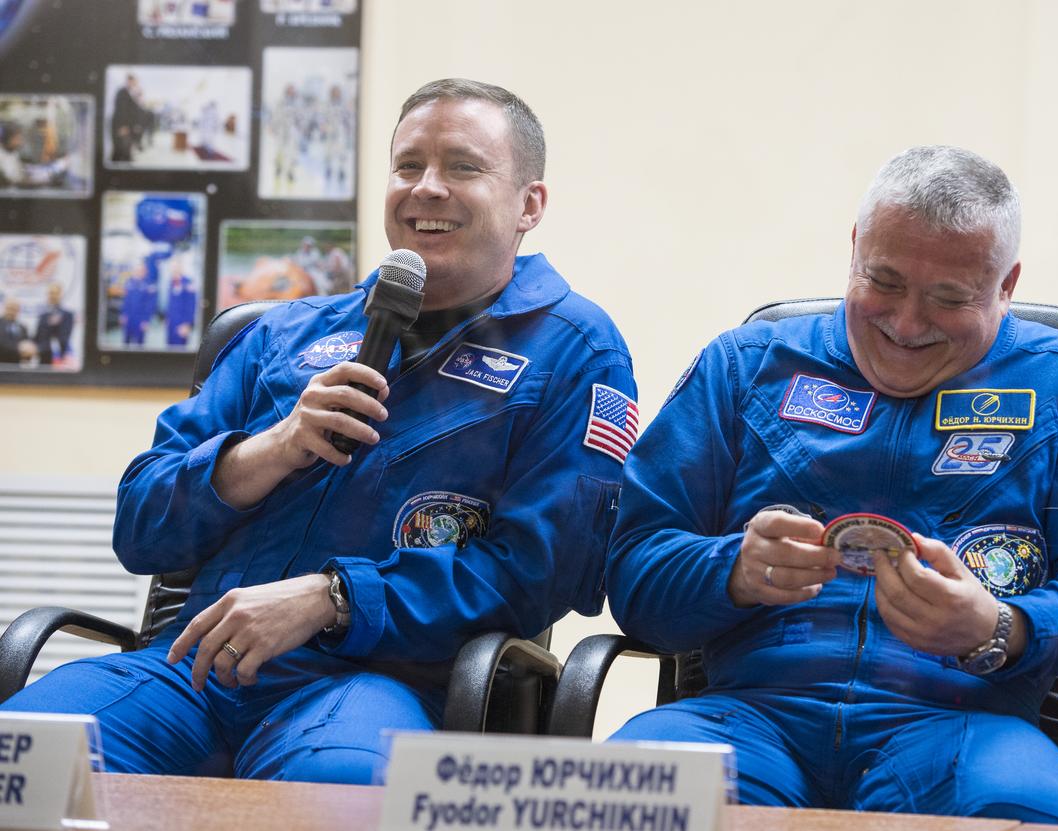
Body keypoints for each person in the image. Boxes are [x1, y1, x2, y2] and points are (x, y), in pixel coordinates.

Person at [3, 78, 636, 784]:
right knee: (24, 755)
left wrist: (333, 598)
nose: (426, 188)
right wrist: (269, 450)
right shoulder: (280, 333)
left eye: (463, 166)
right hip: (194, 670)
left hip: (376, 683)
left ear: (530, 204)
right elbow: (140, 525)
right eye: (408, 166)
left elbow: (544, 574)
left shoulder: (576, 349)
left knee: (337, 793)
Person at [605, 146, 1058, 825]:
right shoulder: (745, 365)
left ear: (1006, 283)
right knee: (619, 799)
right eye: (885, 281)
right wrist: (733, 568)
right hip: (751, 715)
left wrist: (1002, 626)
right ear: (854, 251)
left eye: (949, 298)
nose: (906, 324)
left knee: (1027, 811)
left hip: (963, 723)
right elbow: (633, 568)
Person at [34, 282, 74, 365]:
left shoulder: (67, 315)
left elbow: (64, 338)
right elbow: (37, 337)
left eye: (55, 293)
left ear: (60, 295)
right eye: (50, 293)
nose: (52, 296)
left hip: (59, 359)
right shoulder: (43, 316)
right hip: (42, 359)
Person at [0, 296, 36, 364]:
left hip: (17, 368)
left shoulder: (23, 327)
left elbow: (27, 346)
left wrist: (30, 351)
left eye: (14, 309)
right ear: (4, 308)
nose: (11, 311)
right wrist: (19, 349)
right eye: (10, 308)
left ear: (18, 310)